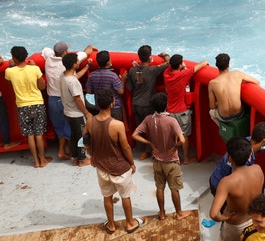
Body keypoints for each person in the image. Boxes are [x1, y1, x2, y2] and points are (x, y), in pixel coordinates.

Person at [86, 89, 142, 235]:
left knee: (107, 196)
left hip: (101, 167)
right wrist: (131, 163)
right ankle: (130, 223)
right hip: (119, 168)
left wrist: (92, 156)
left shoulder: (90, 122)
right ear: (112, 103)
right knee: (125, 196)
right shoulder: (117, 125)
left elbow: (87, 141)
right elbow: (126, 147)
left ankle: (111, 225)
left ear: (97, 104)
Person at [132, 92, 193, 221]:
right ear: (166, 105)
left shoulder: (149, 119)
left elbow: (134, 135)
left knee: (160, 187)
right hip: (171, 162)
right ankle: (179, 213)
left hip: (157, 161)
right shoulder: (171, 120)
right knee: (174, 189)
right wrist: (174, 147)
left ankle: (162, 213)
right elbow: (182, 140)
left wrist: (149, 143)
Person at [41, 42, 95, 160]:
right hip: (65, 101)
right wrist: (90, 48)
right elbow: (87, 51)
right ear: (65, 53)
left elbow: (45, 49)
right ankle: (74, 154)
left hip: (52, 100)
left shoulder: (49, 59)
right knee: (71, 127)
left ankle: (62, 151)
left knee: (60, 127)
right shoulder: (69, 65)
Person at [209, 121, 265, 195]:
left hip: (216, 177)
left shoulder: (248, 141)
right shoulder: (243, 160)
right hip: (219, 187)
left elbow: (263, 147)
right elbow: (235, 181)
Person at [210, 137, 264, 241]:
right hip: (253, 221)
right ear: (249, 156)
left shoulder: (226, 182)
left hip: (236, 226)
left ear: (229, 158)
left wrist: (223, 217)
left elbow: (213, 214)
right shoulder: (258, 169)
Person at [4, 46, 49, 168]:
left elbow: (10, 83)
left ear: (14, 58)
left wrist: (11, 66)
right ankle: (43, 159)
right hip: (37, 104)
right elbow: (42, 87)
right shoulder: (34, 69)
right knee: (38, 134)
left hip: (22, 106)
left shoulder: (9, 71)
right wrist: (35, 67)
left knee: (30, 135)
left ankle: (35, 161)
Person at [125, 45, 169, 160]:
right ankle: (153, 151)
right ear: (150, 58)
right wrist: (164, 55)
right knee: (152, 129)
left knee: (139, 129)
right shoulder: (153, 70)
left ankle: (143, 151)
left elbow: (129, 87)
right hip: (147, 105)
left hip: (135, 104)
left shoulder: (132, 70)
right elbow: (169, 63)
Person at [163, 53, 208, 164]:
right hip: (182, 111)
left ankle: (172, 154)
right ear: (179, 66)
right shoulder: (183, 74)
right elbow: (202, 64)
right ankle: (186, 159)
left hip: (170, 110)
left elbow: (170, 64)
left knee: (174, 134)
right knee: (184, 136)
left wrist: (165, 56)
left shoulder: (166, 74)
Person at [208, 53, 259, 130]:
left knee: (211, 113)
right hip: (239, 113)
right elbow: (257, 82)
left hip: (224, 117)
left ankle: (223, 129)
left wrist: (220, 102)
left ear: (216, 65)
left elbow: (212, 106)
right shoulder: (237, 74)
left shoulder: (212, 83)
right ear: (228, 65)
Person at [60, 53, 92, 166]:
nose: (79, 62)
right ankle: (83, 160)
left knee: (73, 135)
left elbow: (75, 76)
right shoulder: (72, 82)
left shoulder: (63, 76)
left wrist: (87, 67)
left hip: (67, 112)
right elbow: (77, 99)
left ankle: (75, 158)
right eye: (78, 61)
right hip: (76, 114)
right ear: (74, 65)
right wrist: (87, 113)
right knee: (81, 136)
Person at [85, 50, 125, 121]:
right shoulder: (113, 76)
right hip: (114, 107)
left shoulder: (92, 75)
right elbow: (121, 91)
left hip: (100, 107)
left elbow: (89, 91)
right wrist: (123, 80)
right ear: (108, 62)